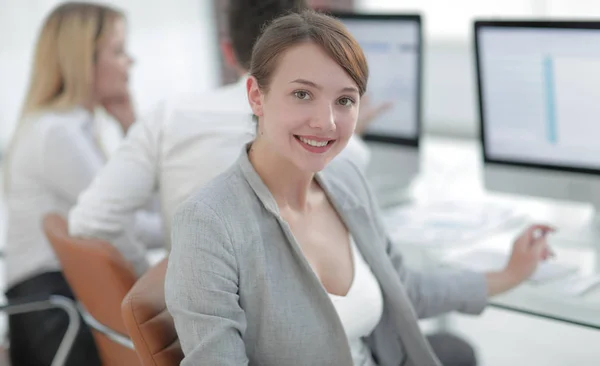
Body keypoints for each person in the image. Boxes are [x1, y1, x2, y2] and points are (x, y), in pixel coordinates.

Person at [165, 10, 555, 366]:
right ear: (256, 96)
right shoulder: (209, 224)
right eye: (303, 94)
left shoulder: (346, 180)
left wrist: (506, 275)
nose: (326, 122)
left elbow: (402, 290)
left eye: (344, 100)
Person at [67, 0, 383, 249]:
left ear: (228, 51)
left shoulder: (168, 115)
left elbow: (91, 222)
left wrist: (147, 289)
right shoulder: (345, 152)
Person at [2, 3, 159, 365]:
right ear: (83, 61)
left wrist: (130, 127)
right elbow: (127, 223)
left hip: (57, 303)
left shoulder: (69, 128)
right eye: (118, 51)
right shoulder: (58, 134)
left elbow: (142, 207)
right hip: (55, 311)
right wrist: (193, 227)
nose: (129, 62)